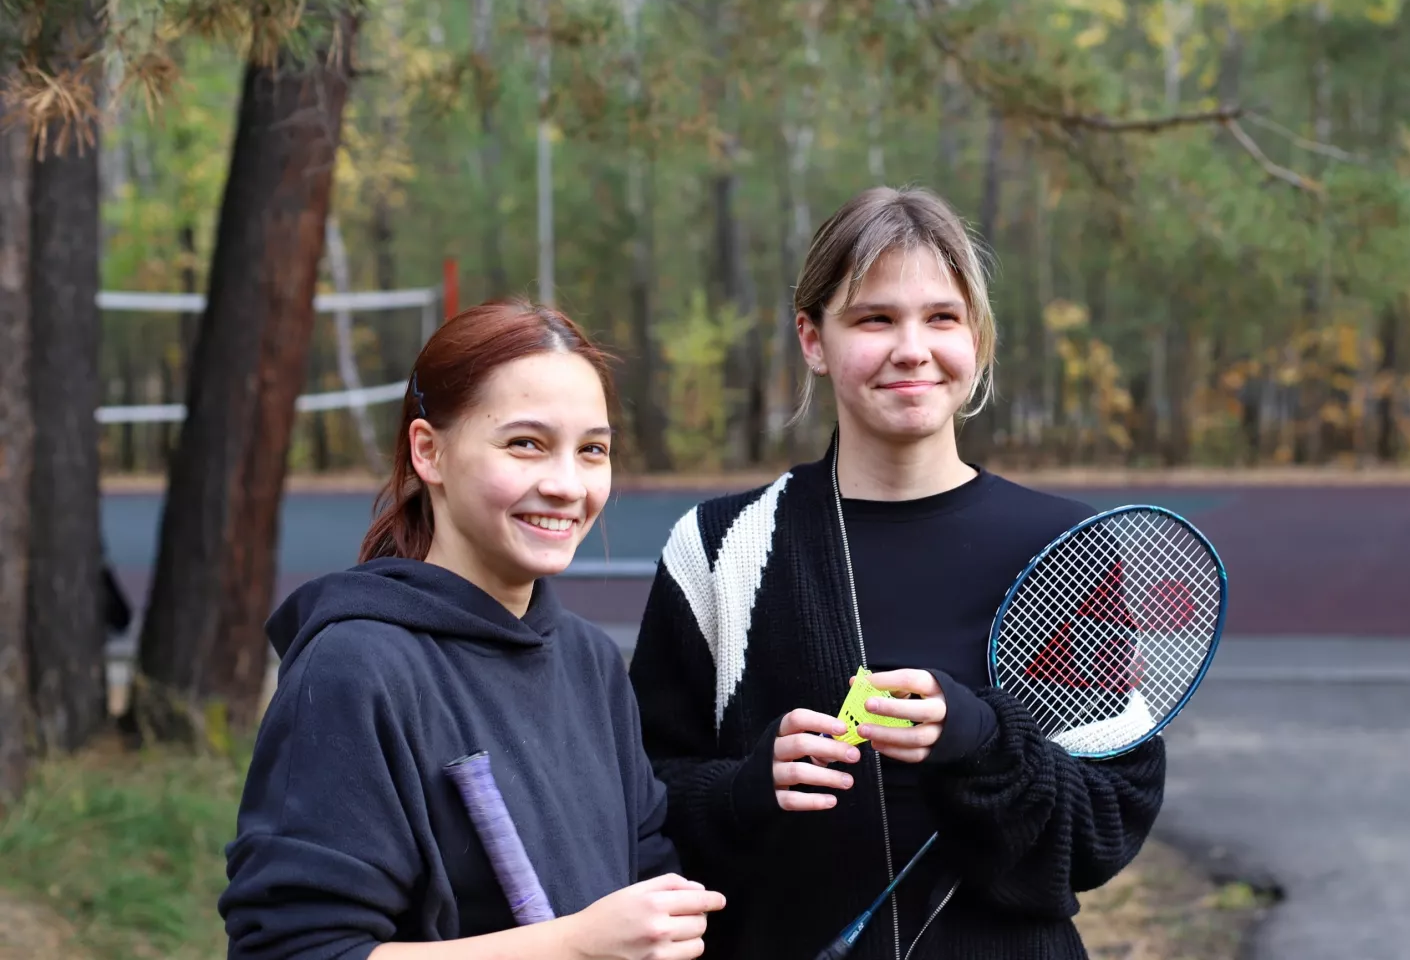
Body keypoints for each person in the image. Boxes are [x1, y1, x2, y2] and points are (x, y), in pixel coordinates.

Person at [627, 186, 1167, 960]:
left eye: (941, 318)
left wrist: (980, 738)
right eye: (874, 318)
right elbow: (640, 799)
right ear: (814, 340)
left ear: (975, 338)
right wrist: (749, 789)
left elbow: (1105, 826)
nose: (911, 348)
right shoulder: (720, 547)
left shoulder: (1068, 548)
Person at [218, 301, 726, 960]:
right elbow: (291, 952)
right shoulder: (354, 668)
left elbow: (649, 885)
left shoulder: (590, 663)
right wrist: (571, 946)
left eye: (592, 450)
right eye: (526, 443)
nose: (567, 485)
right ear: (428, 451)